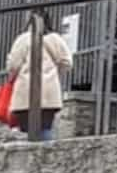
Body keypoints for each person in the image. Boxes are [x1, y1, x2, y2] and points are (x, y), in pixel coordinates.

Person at [6, 12, 73, 142]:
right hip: (49, 92)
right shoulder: (55, 39)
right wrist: (55, 72)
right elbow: (67, 62)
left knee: (26, 130)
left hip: (25, 93)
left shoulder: (23, 39)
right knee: (46, 128)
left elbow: (12, 66)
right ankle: (46, 157)